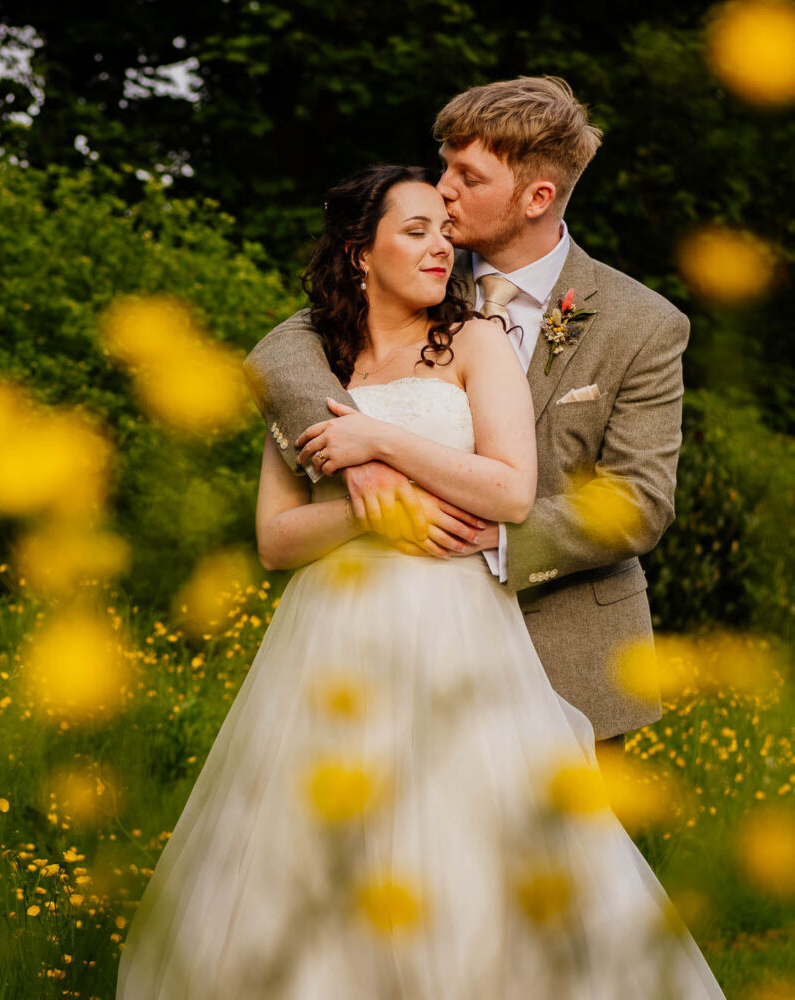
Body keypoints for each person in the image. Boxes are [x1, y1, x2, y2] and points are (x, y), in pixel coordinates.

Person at [113, 165, 724, 999]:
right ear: (360, 255)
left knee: (474, 838)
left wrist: (380, 444)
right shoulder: (316, 367)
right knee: (321, 838)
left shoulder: (476, 340)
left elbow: (512, 489)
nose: (441, 243)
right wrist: (371, 514)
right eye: (417, 230)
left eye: (446, 224)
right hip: (331, 639)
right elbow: (276, 539)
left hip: (460, 624)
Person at [243, 76, 688, 748]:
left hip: (570, 656)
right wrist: (356, 463)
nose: (443, 188)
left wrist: (490, 532)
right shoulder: (415, 267)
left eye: (467, 176)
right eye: (444, 164)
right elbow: (279, 353)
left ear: (537, 197)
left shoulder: (642, 323)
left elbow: (639, 501)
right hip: (393, 651)